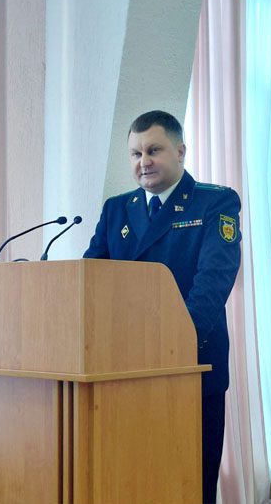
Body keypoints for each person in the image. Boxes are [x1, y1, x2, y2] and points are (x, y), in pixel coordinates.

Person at [83, 110, 241, 504]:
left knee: (189, 483)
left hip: (190, 365)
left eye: (153, 150)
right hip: (123, 371)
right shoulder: (117, 209)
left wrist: (173, 343)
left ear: (180, 151)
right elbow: (90, 279)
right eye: (135, 153)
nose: (144, 161)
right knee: (134, 483)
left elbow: (213, 281)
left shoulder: (214, 202)